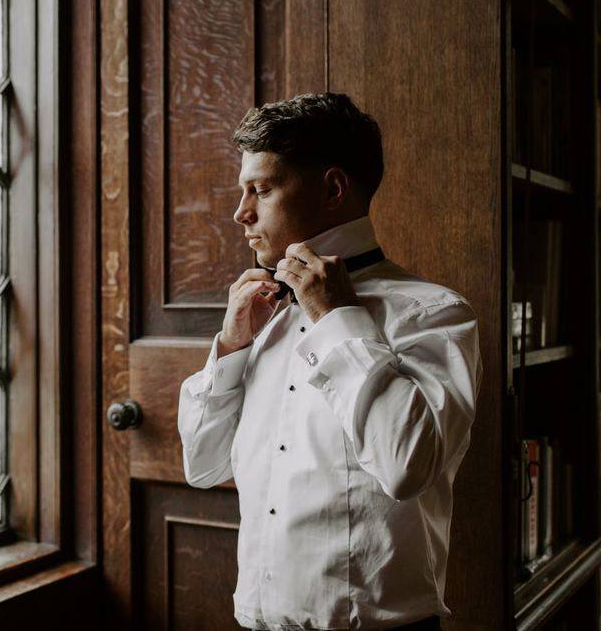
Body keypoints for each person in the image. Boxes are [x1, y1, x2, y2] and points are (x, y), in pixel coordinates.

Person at [177, 92, 482, 631]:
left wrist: (336, 319)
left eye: (262, 189)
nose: (240, 212)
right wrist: (229, 349)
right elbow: (202, 466)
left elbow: (408, 465)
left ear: (334, 188)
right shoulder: (261, 320)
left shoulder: (434, 313)